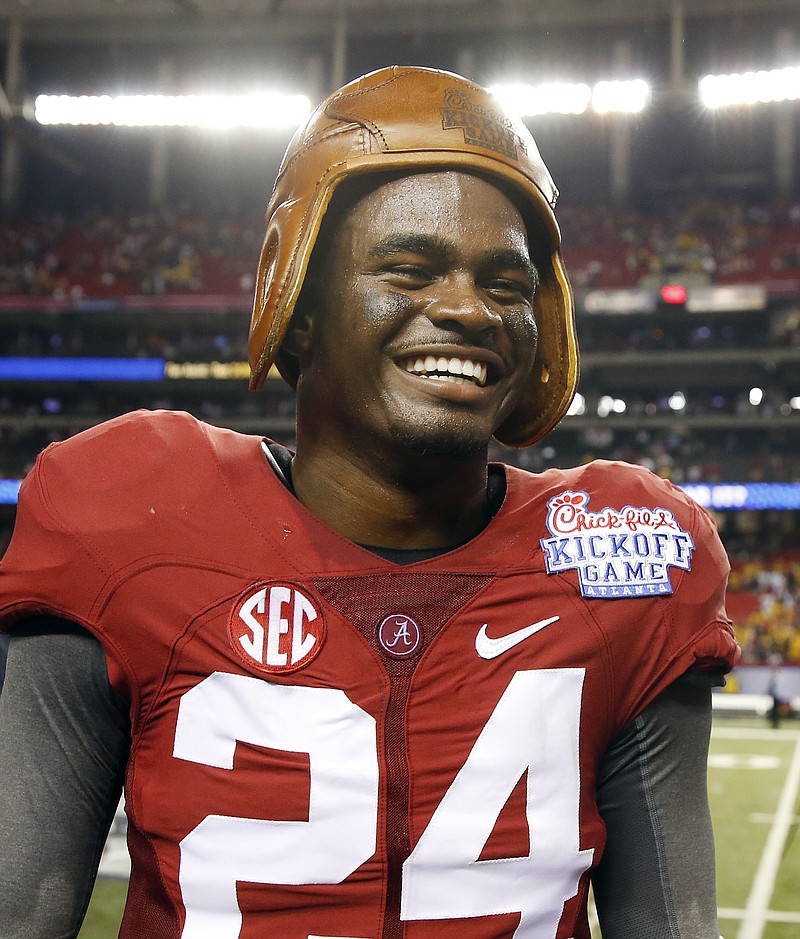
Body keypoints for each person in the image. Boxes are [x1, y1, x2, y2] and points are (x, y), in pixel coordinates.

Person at [0, 65, 739, 939]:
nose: (468, 309)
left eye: (506, 284)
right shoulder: (130, 517)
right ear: (297, 305)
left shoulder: (623, 555)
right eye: (409, 267)